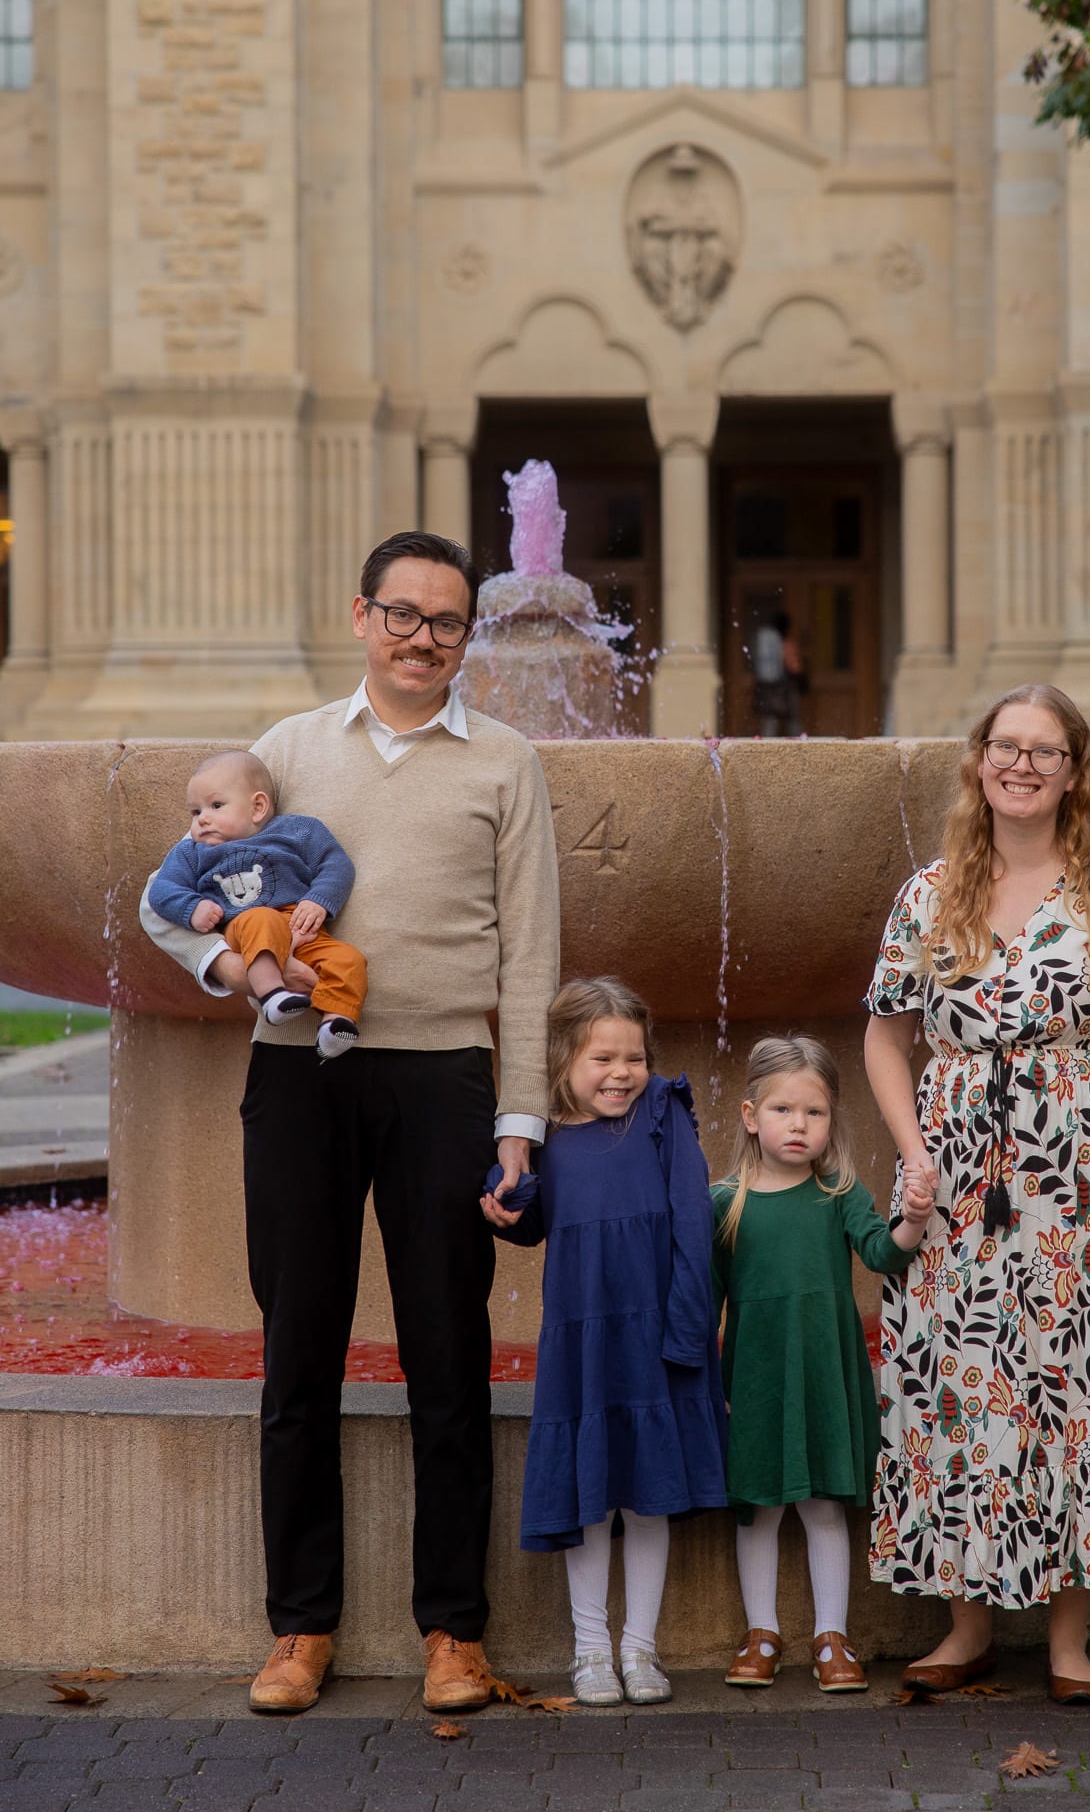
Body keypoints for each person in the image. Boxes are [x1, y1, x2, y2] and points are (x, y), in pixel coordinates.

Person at [139, 530, 560, 1716]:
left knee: (448, 1354)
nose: (424, 638)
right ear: (362, 615)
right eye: (403, 614)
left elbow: (529, 957)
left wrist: (518, 1118)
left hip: (444, 1081)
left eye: (447, 621)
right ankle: (300, 1624)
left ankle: (453, 1632)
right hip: (298, 1079)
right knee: (298, 1351)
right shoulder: (285, 751)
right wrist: (232, 969)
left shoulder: (507, 760)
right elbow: (170, 891)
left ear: (467, 634)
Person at [863, 683, 1090, 1706]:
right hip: (953, 1173)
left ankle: (1066, 1636)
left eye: (1043, 750)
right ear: (979, 761)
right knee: (954, 1384)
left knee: (1072, 1384)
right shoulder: (928, 890)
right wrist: (911, 1149)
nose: (1020, 763)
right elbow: (881, 1031)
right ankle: (963, 1627)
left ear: (1072, 772)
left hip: (1077, 1173)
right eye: (1004, 745)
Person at [484, 977, 727, 1707]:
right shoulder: (544, 1133)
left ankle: (640, 1648)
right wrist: (507, 1198)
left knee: (648, 1497)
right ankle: (591, 1651)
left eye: (633, 1057)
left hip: (654, 1332)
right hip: (582, 1339)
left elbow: (692, 1220)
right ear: (563, 1060)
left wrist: (688, 1328)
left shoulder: (663, 1111)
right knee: (593, 1496)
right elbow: (532, 1227)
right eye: (603, 1059)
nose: (621, 1073)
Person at [711, 1036, 934, 1695]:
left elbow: (885, 1253)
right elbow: (703, 1300)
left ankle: (832, 1636)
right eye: (783, 1110)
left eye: (814, 1112)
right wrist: (704, 1385)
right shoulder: (725, 1201)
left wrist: (914, 1220)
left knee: (824, 1509)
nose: (799, 1124)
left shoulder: (839, 1192)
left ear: (831, 1120)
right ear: (751, 1115)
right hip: (752, 1380)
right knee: (759, 1508)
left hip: (825, 1378)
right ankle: (761, 1633)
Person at [147, 749, 367, 1059]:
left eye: (216, 805)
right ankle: (272, 995)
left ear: (258, 807)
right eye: (195, 812)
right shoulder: (191, 852)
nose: (203, 819)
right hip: (244, 923)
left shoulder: (298, 831)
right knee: (261, 919)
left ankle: (336, 1020)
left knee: (348, 958)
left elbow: (336, 864)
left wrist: (319, 900)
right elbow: (162, 889)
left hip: (300, 925)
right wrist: (192, 908)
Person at [750, 610, 803, 738]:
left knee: (769, 721)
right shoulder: (784, 642)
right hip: (783, 688)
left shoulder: (763, 638)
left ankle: (766, 748)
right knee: (793, 721)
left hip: (765, 687)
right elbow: (794, 667)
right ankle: (800, 747)